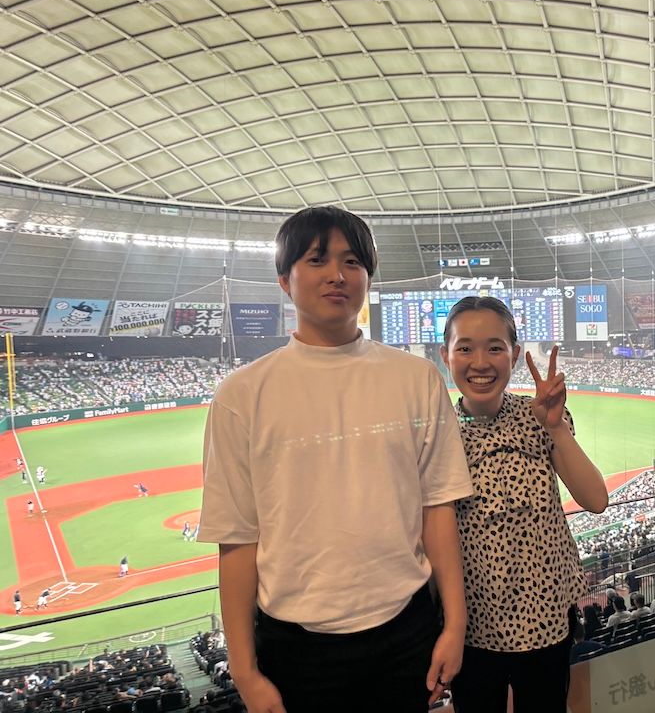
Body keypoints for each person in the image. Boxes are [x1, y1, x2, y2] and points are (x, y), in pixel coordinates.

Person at [198, 207, 473, 712]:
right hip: (296, 644)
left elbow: (438, 508)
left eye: (352, 261)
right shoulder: (242, 395)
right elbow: (236, 539)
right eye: (317, 259)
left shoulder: (416, 379)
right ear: (285, 279)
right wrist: (245, 673)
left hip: (406, 629)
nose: (337, 275)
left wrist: (454, 624)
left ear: (367, 276)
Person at [440, 296, 608, 713]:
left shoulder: (540, 416)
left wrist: (556, 428)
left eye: (495, 347)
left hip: (547, 617)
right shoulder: (437, 433)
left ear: (515, 355)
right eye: (465, 347)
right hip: (472, 626)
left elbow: (596, 499)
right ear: (445, 355)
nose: (480, 361)